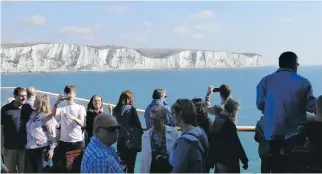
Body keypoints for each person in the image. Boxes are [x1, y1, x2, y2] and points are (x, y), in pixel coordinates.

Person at [256, 51, 316, 172]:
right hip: (294, 140)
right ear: (294, 64)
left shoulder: (265, 81)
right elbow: (312, 107)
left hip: (270, 139)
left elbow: (260, 105)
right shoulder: (304, 83)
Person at [169, 99, 209, 173]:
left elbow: (178, 171)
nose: (171, 116)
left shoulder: (184, 142)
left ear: (180, 114)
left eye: (172, 113)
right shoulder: (200, 132)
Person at [51, 85, 86, 166]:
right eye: (67, 93)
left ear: (75, 94)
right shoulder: (63, 108)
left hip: (77, 142)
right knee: (64, 167)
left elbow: (82, 123)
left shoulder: (80, 107)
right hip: (64, 142)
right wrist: (57, 102)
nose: (69, 95)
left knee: (77, 167)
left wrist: (73, 118)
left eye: (70, 93)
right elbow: (53, 114)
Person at [208, 105, 248, 173]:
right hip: (231, 162)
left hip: (219, 162)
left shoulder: (214, 125)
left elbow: (211, 145)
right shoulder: (229, 124)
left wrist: (211, 162)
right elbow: (237, 144)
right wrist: (244, 160)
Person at [1, 87, 33, 173]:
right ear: (15, 96)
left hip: (25, 147)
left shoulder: (28, 108)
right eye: (21, 96)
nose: (24, 98)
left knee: (24, 171)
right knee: (9, 172)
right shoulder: (5, 109)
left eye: (25, 96)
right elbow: (1, 128)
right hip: (9, 148)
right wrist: (1, 146)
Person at [25, 93, 59, 173]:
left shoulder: (46, 116)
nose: (34, 100)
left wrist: (52, 149)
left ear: (41, 102)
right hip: (30, 148)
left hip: (42, 149)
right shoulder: (33, 114)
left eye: (36, 99)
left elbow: (52, 133)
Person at [140, 105, 179, 173]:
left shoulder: (173, 133)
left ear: (163, 119)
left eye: (155, 119)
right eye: (151, 118)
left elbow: (177, 157)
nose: (151, 122)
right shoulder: (145, 136)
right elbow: (144, 161)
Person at [112, 90, 143, 173]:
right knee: (131, 166)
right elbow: (138, 126)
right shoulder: (132, 110)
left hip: (120, 141)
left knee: (122, 164)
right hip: (131, 142)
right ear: (130, 99)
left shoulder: (115, 110)